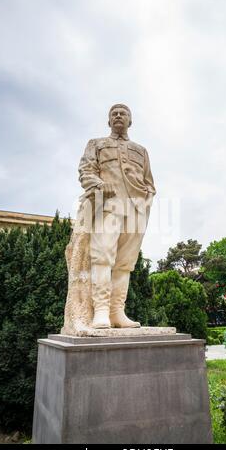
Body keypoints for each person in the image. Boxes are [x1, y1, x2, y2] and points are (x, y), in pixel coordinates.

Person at [78, 104, 156, 328]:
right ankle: (101, 311)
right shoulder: (96, 144)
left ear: (130, 121)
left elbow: (150, 183)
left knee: (125, 264)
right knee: (102, 257)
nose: (119, 116)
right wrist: (100, 184)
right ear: (109, 121)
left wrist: (146, 200)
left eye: (123, 113)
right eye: (114, 114)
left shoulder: (141, 151)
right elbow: (86, 171)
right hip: (107, 207)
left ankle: (116, 312)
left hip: (136, 210)